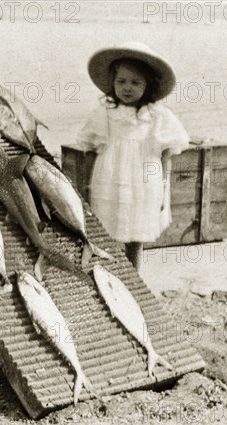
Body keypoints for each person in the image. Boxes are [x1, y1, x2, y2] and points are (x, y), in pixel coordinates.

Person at [76, 42, 189, 272]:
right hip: (110, 179)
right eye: (121, 81)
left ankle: (135, 275)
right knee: (107, 228)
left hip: (144, 181)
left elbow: (166, 152)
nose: (127, 88)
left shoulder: (157, 116)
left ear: (147, 86)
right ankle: (108, 276)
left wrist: (164, 185)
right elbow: (89, 151)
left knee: (136, 233)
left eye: (135, 82)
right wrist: (85, 186)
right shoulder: (105, 113)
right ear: (112, 84)